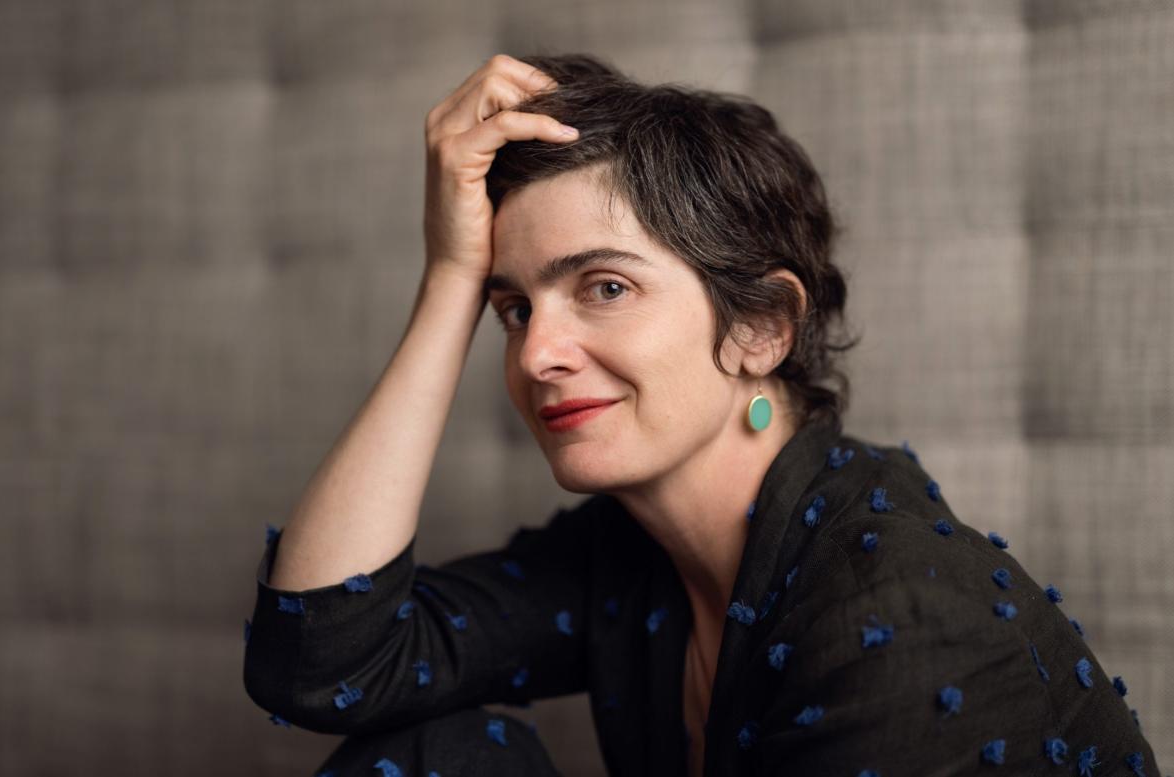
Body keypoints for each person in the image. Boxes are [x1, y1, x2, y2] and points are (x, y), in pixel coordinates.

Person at [243, 53, 1161, 777]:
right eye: (513, 307)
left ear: (760, 326)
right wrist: (448, 279)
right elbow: (323, 663)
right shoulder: (628, 561)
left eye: (603, 286)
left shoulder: (900, 614)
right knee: (446, 759)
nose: (533, 356)